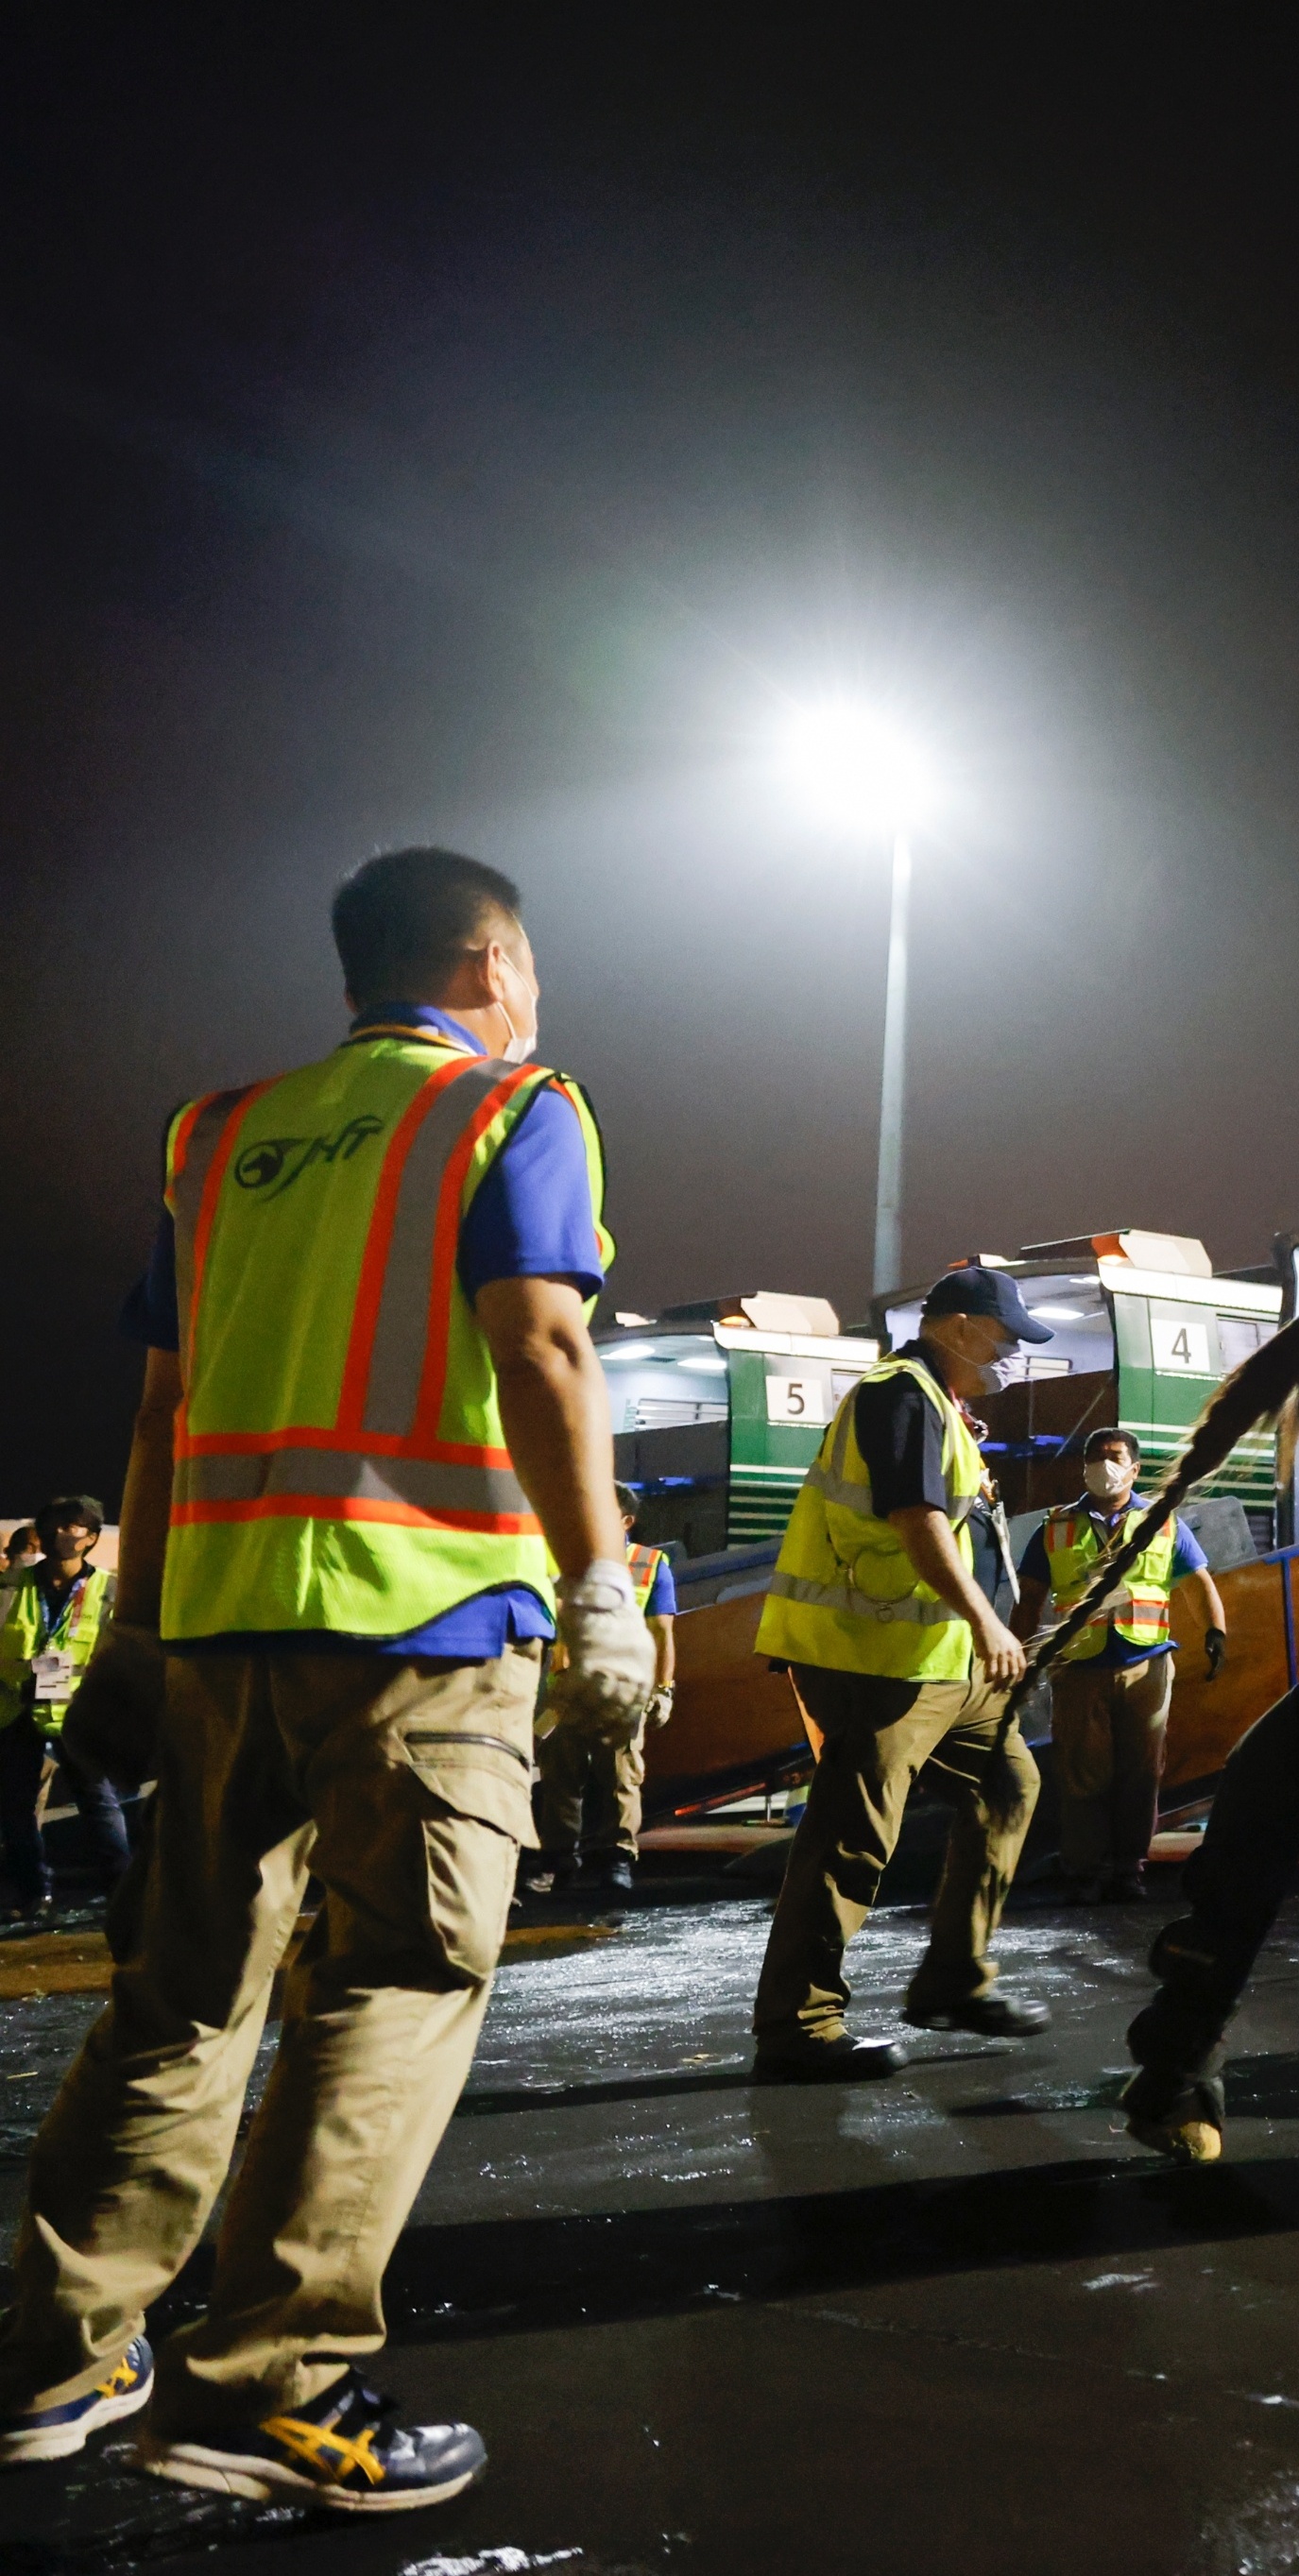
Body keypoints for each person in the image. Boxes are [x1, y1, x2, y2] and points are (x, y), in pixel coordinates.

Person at [0, 848, 651, 2509]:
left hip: (222, 1635)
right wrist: (599, 1597)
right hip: (420, 1635)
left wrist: (140, 1626)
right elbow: (542, 1344)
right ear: (490, 959)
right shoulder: (514, 1109)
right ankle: (265, 2383)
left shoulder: (212, 1135)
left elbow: (156, 1410)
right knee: (394, 1985)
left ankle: (58, 2357)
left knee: (180, 1993)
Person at [746, 1265, 1049, 2079]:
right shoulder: (899, 1394)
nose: (1014, 1353)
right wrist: (989, 1620)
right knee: (852, 1832)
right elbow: (917, 1522)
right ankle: (798, 2027)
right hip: (875, 1662)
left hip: (940, 1663)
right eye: (1005, 1335)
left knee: (1009, 1784)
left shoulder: (941, 1407)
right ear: (954, 1326)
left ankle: (954, 1977)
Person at [1013, 1428, 1226, 1902]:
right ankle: (1084, 1869)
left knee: (1141, 1771)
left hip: (1146, 1666)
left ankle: (1129, 1867)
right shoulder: (1056, 1527)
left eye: (1113, 1457)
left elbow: (1197, 1583)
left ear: (1134, 1470)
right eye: (1093, 1457)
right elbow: (1028, 1599)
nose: (1102, 1466)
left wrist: (1215, 1630)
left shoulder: (1162, 1522)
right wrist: (1019, 1655)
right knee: (1082, 1770)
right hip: (1078, 1667)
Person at [523, 1487, 676, 1898]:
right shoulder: (560, 1560)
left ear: (627, 1522)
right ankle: (558, 1860)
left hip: (621, 1688)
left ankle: (617, 1859)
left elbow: (662, 1634)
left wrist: (664, 1689)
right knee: (559, 1778)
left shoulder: (649, 1564)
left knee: (620, 1775)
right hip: (563, 1688)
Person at [0, 1498, 127, 1923]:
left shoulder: (108, 1589)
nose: (61, 1533)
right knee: (16, 1810)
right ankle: (35, 1895)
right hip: (16, 1708)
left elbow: (119, 1652)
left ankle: (122, 1892)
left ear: (91, 1538)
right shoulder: (13, 1583)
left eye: (74, 1527)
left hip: (78, 1711)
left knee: (99, 1804)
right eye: (55, 1525)